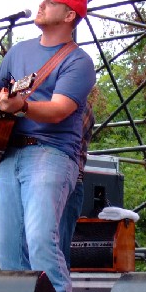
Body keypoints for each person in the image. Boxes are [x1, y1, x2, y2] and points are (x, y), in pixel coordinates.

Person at [0, 0, 96, 292]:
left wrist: (21, 107)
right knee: (7, 248)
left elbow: (60, 109)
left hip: (50, 154)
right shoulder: (18, 51)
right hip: (7, 154)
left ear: (69, 15)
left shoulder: (78, 61)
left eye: (50, 1)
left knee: (40, 242)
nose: (41, 5)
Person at [59, 98, 95, 270]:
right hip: (48, 182)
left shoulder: (81, 105)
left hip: (69, 185)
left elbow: (64, 137)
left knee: (57, 251)